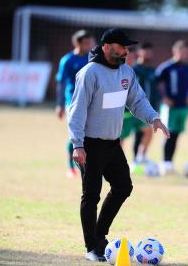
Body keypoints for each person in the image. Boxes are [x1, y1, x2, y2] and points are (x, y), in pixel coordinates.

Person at [67, 28, 170, 262]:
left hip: (113, 144)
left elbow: (137, 100)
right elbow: (77, 110)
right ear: (106, 47)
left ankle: (100, 235)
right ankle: (92, 247)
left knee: (124, 187)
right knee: (91, 195)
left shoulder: (126, 72)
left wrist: (153, 118)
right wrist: (77, 144)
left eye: (127, 47)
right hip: (90, 145)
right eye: (122, 46)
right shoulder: (89, 73)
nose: (126, 50)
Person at [55, 29, 95, 178]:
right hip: (72, 101)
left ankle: (89, 166)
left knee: (89, 134)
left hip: (90, 102)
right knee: (75, 134)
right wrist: (59, 104)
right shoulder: (68, 60)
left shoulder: (91, 58)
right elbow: (61, 82)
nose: (91, 45)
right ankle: (71, 167)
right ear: (79, 43)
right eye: (88, 43)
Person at [156, 40, 188, 174]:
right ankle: (165, 162)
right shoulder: (166, 68)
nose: (185, 54)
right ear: (175, 51)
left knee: (176, 134)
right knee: (169, 134)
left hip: (182, 107)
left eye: (187, 52)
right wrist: (164, 97)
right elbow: (156, 83)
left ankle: (170, 162)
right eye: (182, 51)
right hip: (170, 107)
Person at [121, 42, 160, 165]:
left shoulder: (136, 71)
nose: (132, 59)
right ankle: (117, 163)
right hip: (125, 114)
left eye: (133, 57)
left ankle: (141, 156)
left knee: (149, 131)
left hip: (138, 112)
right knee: (120, 140)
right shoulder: (119, 72)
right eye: (129, 57)